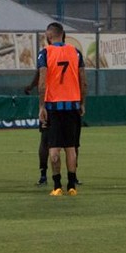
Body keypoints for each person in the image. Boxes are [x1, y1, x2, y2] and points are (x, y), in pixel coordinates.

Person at [38, 22, 87, 196]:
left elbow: (42, 81)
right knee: (71, 148)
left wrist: (41, 106)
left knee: (54, 149)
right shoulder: (76, 52)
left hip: (54, 107)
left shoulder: (45, 53)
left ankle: (57, 186)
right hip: (72, 106)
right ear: (62, 34)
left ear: (49, 36)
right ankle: (72, 185)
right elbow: (83, 81)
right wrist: (82, 103)